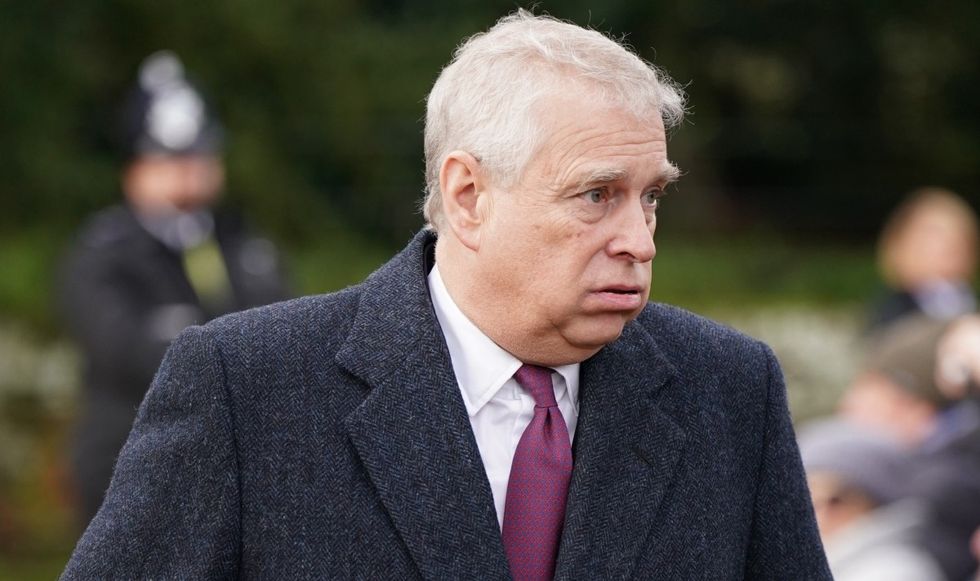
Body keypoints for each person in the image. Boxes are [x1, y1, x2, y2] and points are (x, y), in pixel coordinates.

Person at [61, 12, 830, 579]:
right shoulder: (248, 388)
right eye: (597, 194)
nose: (640, 239)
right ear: (468, 196)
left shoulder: (730, 389)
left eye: (650, 196)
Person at [57, 51, 289, 529]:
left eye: (199, 156)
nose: (188, 172)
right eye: (169, 160)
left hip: (240, 470)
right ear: (133, 170)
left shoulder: (246, 245)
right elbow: (122, 349)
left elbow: (287, 336)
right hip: (131, 468)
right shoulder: (104, 254)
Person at [798, 418, 943, 581]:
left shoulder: (894, 572)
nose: (819, 515)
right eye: (805, 502)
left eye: (835, 501)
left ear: (874, 503)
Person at [867, 187, 979, 334]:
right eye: (932, 240)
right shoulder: (894, 307)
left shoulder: (967, 300)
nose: (947, 249)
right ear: (900, 246)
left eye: (959, 243)